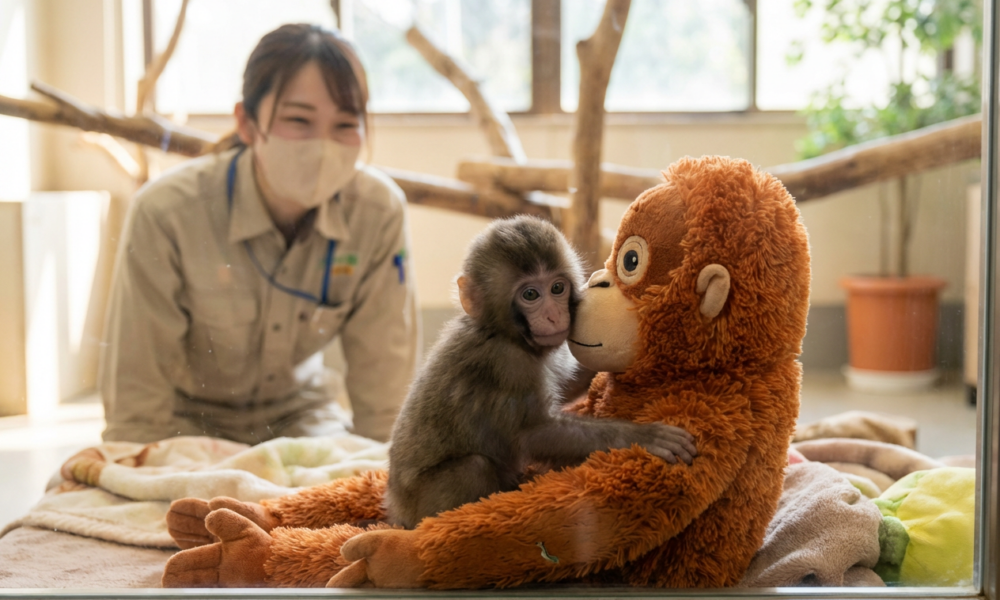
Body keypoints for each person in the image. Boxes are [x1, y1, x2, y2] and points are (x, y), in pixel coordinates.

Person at [99, 24, 420, 445]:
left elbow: (385, 398)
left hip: (302, 421)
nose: (322, 145)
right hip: (183, 426)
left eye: (345, 124)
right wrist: (137, 471)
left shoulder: (378, 214)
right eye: (299, 120)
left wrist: (383, 482)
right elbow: (136, 406)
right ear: (247, 123)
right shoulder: (166, 213)